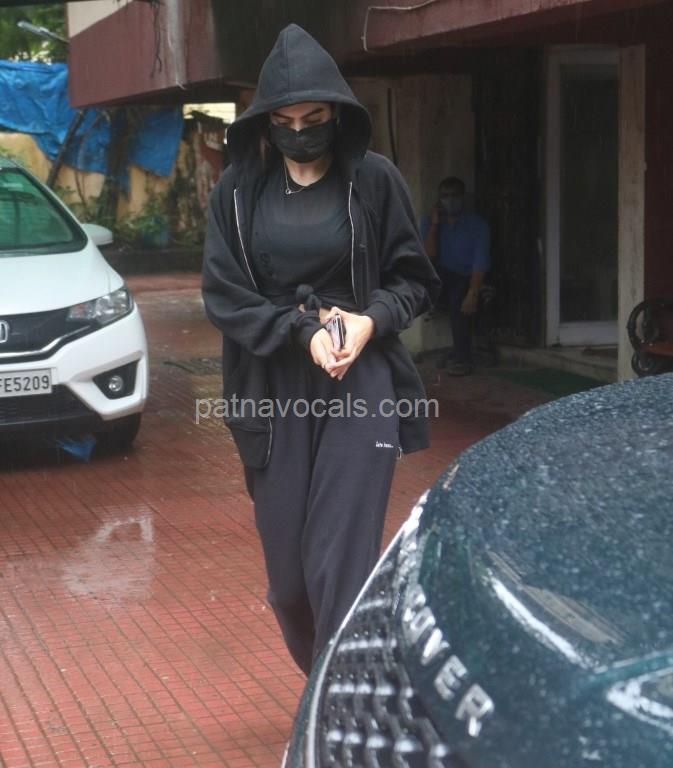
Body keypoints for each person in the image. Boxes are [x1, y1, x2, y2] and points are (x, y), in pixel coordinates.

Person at [201, 24, 439, 675]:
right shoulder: (237, 193)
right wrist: (300, 332)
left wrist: (368, 322)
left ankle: (338, 710)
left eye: (313, 119)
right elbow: (224, 296)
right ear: (264, 123)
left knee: (340, 564)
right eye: (284, 122)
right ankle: (333, 687)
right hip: (271, 388)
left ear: (337, 114)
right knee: (289, 585)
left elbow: (415, 282)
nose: (300, 133)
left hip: (359, 380)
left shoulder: (375, 180)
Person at [422, 177, 490, 375]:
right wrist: (434, 226)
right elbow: (428, 256)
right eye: (445, 196)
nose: (450, 200)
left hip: (468, 278)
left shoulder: (477, 225)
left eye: (454, 196)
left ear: (463, 197)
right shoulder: (429, 222)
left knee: (458, 298)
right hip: (442, 277)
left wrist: (473, 293)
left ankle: (462, 359)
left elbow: (480, 262)